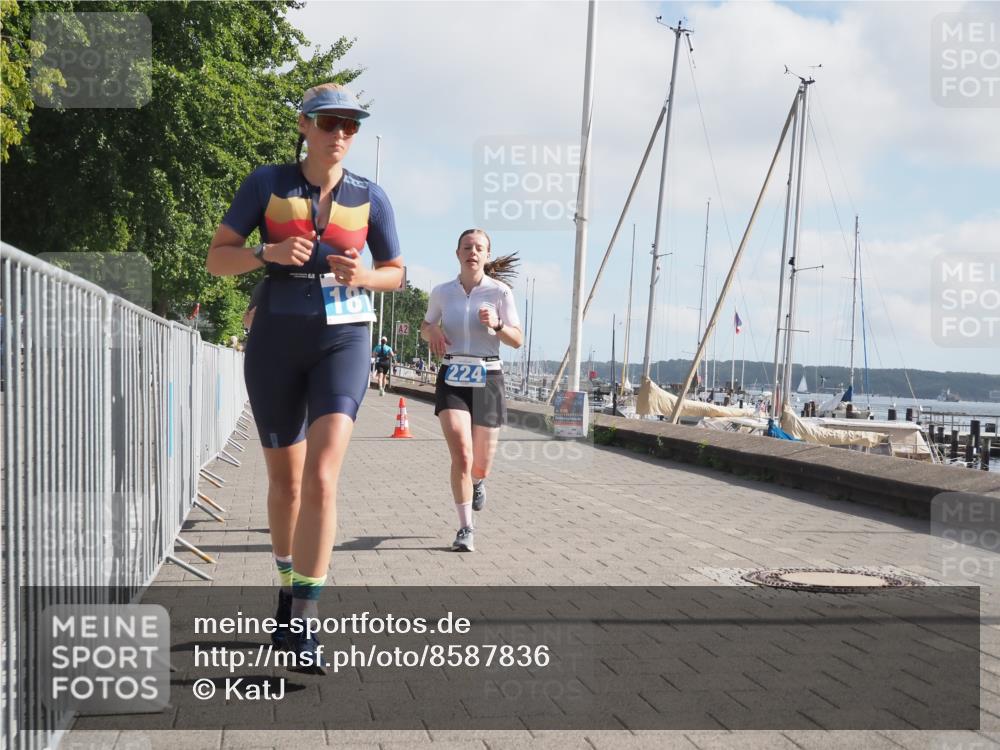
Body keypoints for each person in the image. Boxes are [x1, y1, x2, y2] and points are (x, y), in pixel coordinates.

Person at [206, 83, 404, 673]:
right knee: (287, 485)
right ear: (304, 125)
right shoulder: (265, 183)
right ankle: (287, 588)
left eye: (350, 125)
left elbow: (396, 271)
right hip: (275, 339)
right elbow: (218, 258)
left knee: (322, 477)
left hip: (343, 339)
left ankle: (306, 618)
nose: (339, 133)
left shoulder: (371, 197)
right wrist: (265, 255)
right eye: (328, 122)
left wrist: (366, 277)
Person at [421, 229, 522, 552]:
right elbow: (425, 326)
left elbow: (517, 340)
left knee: (480, 464)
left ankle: (478, 483)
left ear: (487, 255)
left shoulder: (500, 293)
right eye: (467, 247)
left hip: (488, 376)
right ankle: (466, 528)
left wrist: (496, 325)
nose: (473, 252)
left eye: (479, 248)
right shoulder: (442, 292)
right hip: (453, 373)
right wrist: (432, 330)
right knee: (461, 455)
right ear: (457, 253)